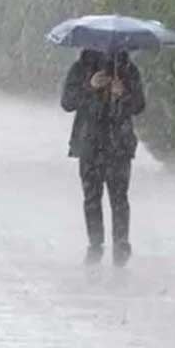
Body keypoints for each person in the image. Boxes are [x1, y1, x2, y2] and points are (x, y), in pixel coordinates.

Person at [60, 48, 146, 265]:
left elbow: (139, 105)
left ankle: (121, 244)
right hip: (89, 144)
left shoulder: (128, 70)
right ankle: (95, 245)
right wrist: (90, 86)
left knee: (119, 198)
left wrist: (123, 93)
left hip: (119, 145)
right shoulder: (81, 68)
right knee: (92, 198)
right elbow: (67, 103)